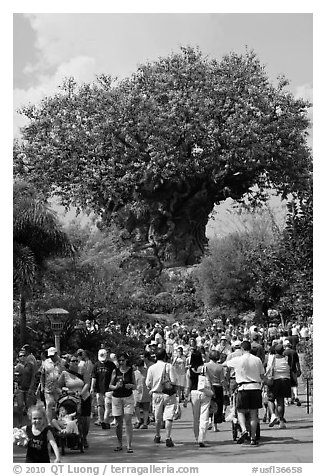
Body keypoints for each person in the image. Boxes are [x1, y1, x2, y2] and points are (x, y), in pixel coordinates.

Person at [224, 341, 265, 446]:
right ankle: (253, 437)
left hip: (243, 387)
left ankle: (243, 429)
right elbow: (262, 375)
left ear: (242, 349)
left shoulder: (238, 360)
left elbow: (225, 364)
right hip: (255, 387)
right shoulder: (257, 360)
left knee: (240, 411)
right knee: (253, 414)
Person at [57, 354, 91, 448]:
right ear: (69, 362)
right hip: (71, 398)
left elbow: (87, 383)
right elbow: (58, 387)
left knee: (85, 421)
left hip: (84, 397)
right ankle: (73, 438)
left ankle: (84, 438)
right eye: (73, 361)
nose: (76, 362)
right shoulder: (65, 373)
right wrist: (63, 392)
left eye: (77, 360)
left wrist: (81, 393)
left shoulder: (83, 370)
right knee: (72, 418)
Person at [146, 348, 177, 448]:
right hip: (168, 394)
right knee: (168, 416)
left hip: (156, 394)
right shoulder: (169, 366)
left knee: (157, 417)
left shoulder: (152, 368)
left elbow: (148, 383)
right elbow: (173, 381)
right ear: (165, 356)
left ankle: (157, 435)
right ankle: (168, 437)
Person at [184, 350, 213, 446]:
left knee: (196, 417)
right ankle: (202, 437)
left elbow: (188, 385)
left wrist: (186, 396)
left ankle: (197, 437)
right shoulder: (204, 368)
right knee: (204, 415)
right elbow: (209, 381)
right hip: (204, 392)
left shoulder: (189, 370)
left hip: (194, 393)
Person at [109, 352, 136, 453]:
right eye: (119, 360)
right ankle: (119, 444)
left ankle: (129, 445)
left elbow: (135, 385)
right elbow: (110, 385)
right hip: (117, 397)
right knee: (118, 423)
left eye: (123, 360)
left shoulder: (130, 371)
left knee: (128, 420)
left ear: (126, 361)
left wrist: (130, 386)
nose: (121, 362)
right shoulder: (115, 371)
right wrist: (115, 387)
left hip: (128, 397)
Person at [266, 344, 291, 429]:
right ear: (282, 351)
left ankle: (273, 415)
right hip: (286, 380)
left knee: (271, 399)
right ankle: (281, 421)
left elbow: (268, 369)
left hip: (275, 380)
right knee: (281, 401)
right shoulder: (287, 358)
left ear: (275, 351)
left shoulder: (271, 359)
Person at [90, 349, 116, 429]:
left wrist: (112, 384)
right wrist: (92, 387)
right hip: (99, 389)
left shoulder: (111, 365)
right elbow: (94, 377)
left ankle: (105, 421)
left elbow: (114, 375)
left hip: (108, 388)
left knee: (107, 405)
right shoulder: (96, 365)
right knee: (100, 405)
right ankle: (101, 420)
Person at [40, 347, 64, 424]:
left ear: (56, 354)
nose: (51, 358)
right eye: (50, 356)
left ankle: (59, 422)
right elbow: (42, 375)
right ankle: (49, 423)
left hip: (59, 388)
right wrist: (42, 386)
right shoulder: (45, 363)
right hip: (48, 388)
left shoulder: (63, 362)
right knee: (49, 404)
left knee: (60, 406)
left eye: (53, 356)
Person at [15, 349, 36, 427]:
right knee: (20, 406)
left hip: (28, 389)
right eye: (21, 356)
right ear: (18, 358)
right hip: (20, 389)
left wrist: (31, 387)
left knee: (30, 408)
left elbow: (33, 376)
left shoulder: (30, 365)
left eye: (24, 355)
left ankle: (31, 424)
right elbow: (15, 378)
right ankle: (20, 424)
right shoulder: (17, 366)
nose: (22, 357)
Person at [205, 350, 225, 431]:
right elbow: (222, 379)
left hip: (207, 386)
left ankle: (209, 420)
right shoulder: (220, 367)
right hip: (218, 387)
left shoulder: (205, 365)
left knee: (208, 404)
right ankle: (215, 425)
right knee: (217, 406)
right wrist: (225, 387)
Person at [283, 340, 302, 406]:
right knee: (294, 384)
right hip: (293, 370)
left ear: (284, 346)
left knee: (286, 385)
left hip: (286, 371)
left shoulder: (284, 353)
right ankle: (295, 396)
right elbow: (297, 362)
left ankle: (286, 400)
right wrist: (299, 369)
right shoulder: (294, 352)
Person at [134, 358, 151, 429]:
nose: (139, 368)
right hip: (137, 393)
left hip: (146, 392)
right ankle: (138, 420)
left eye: (140, 366)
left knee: (146, 408)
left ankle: (145, 423)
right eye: (137, 367)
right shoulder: (134, 373)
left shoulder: (147, 372)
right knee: (136, 406)